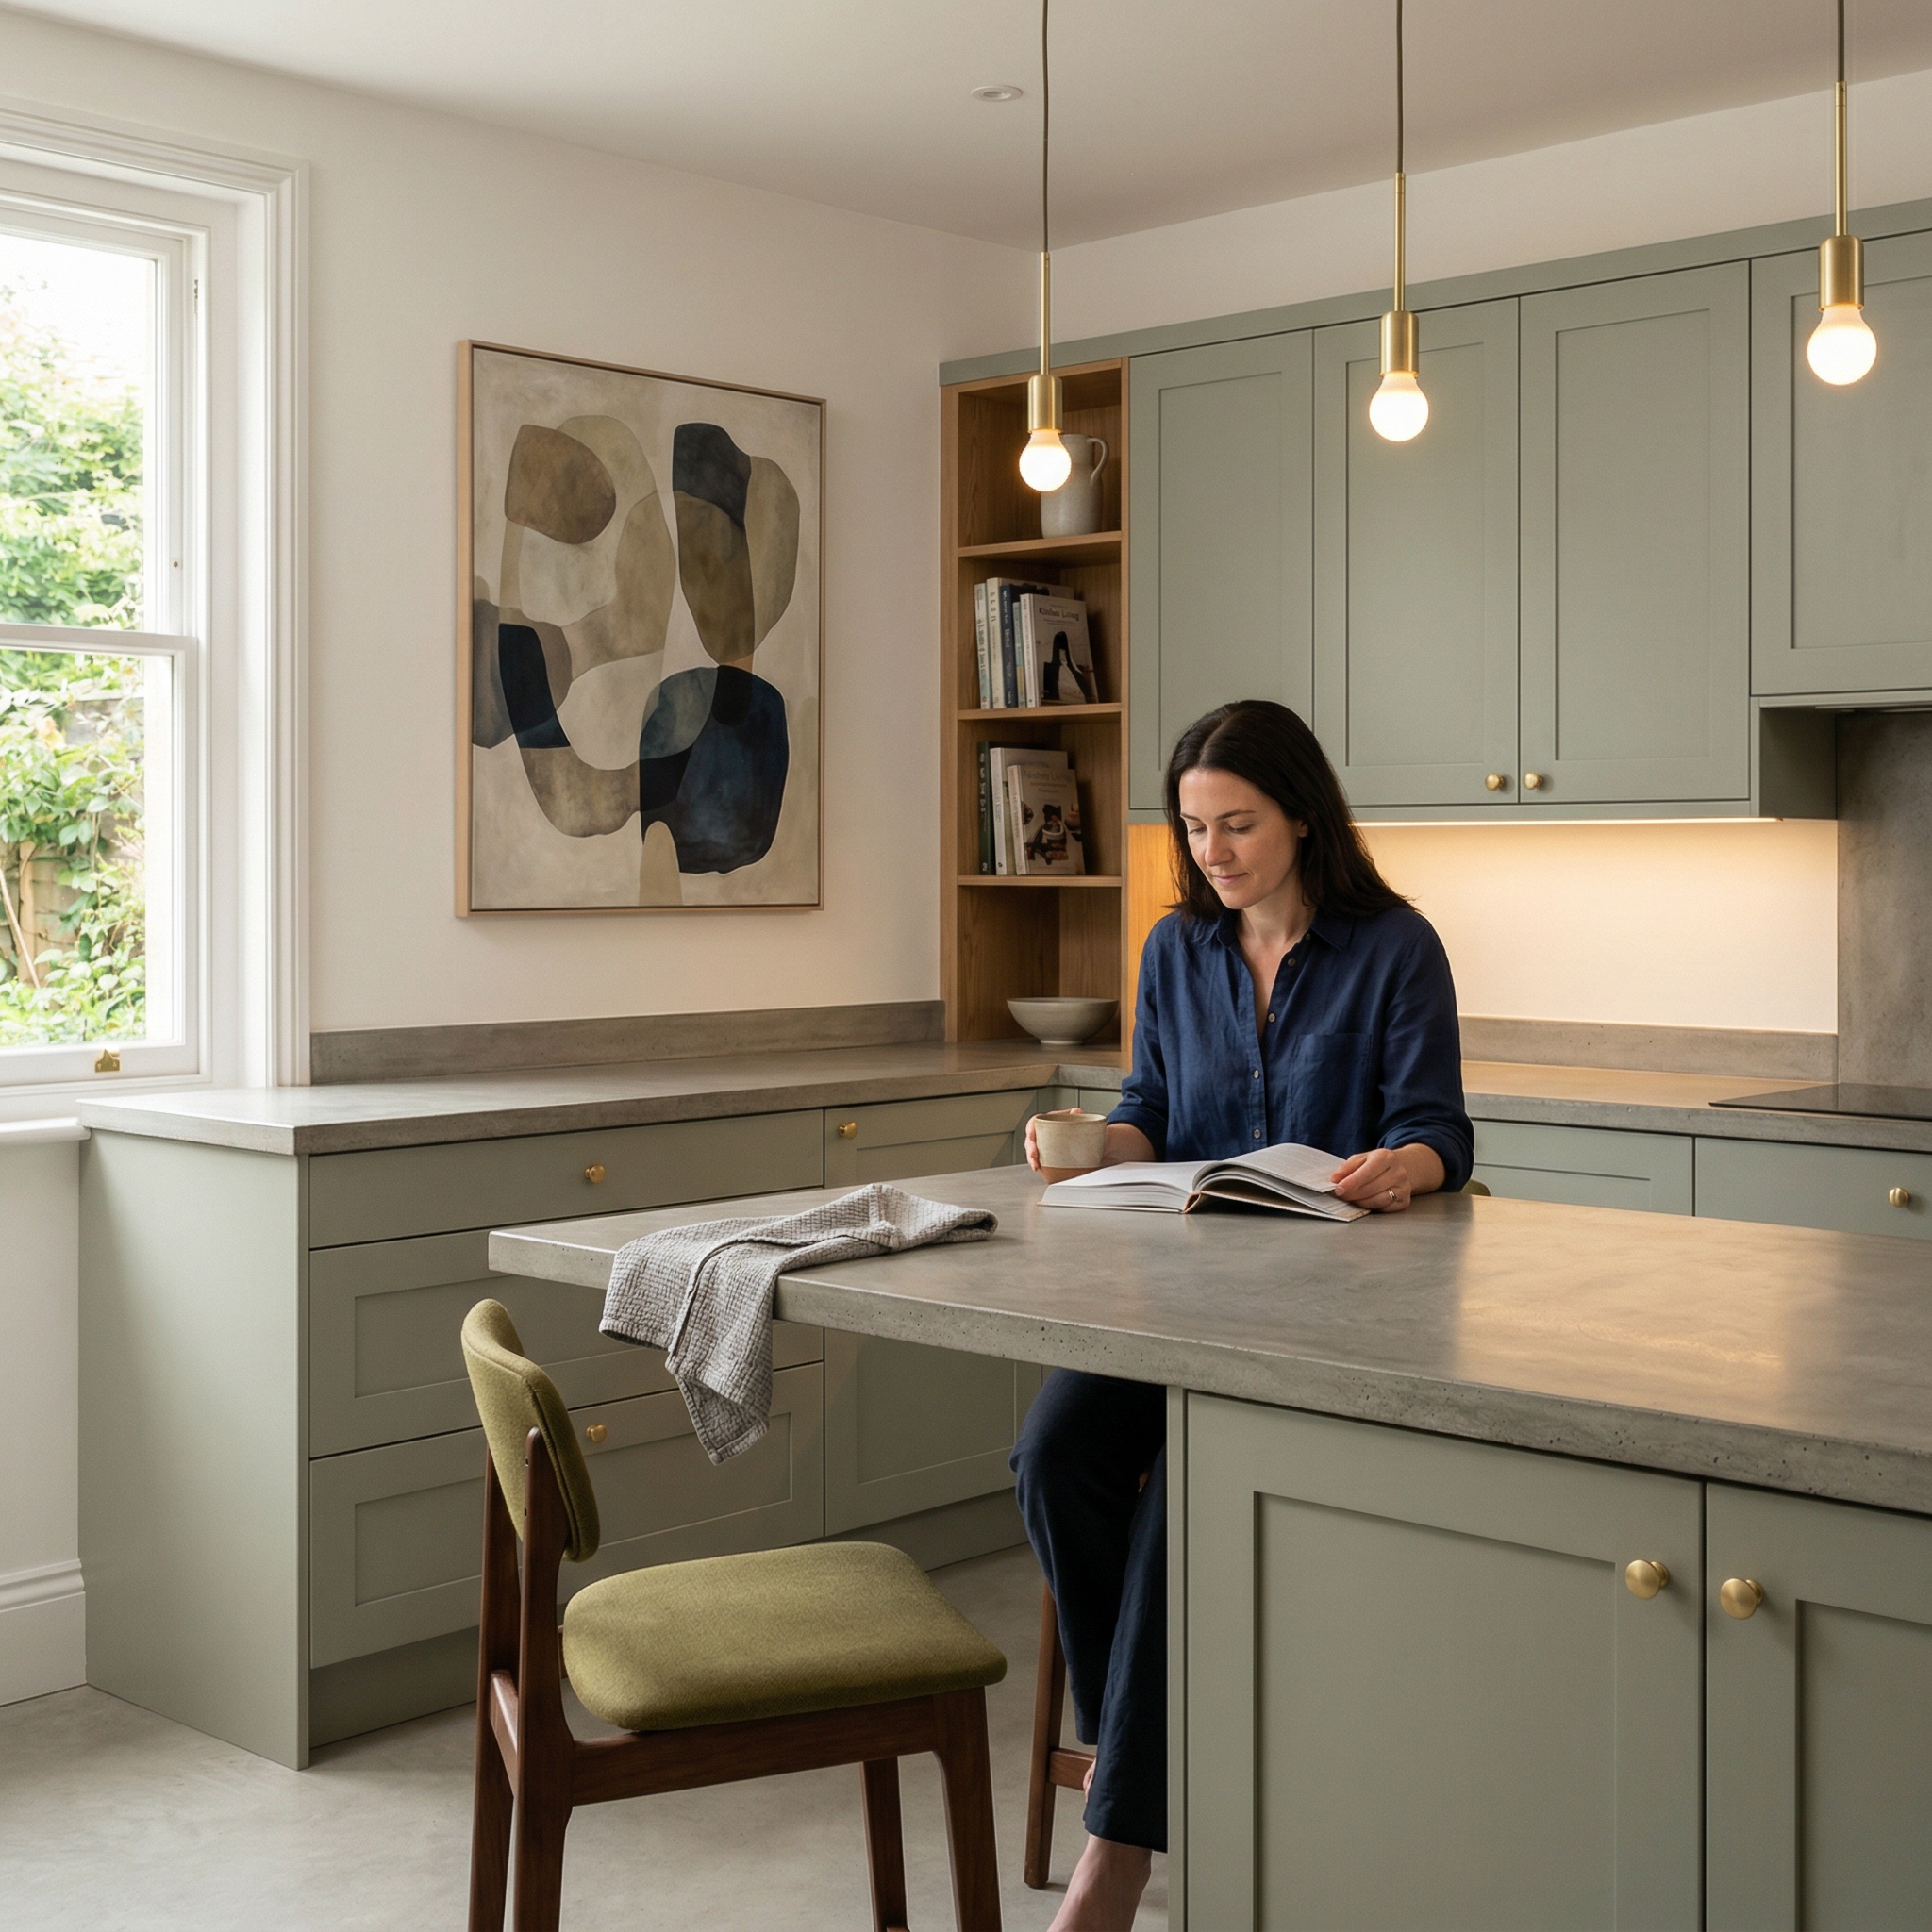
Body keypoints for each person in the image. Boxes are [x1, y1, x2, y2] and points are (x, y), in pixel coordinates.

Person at [1012, 699, 1473, 1929]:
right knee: (1053, 1456)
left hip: (1339, 1303)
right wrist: (1090, 1148)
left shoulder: (1395, 948)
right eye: (1196, 828)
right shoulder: (1177, 951)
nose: (1214, 851)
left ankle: (1118, 1849)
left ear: (1303, 817)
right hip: (1186, 1289)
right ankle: (1141, 1761)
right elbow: (1152, 1108)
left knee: (1186, 1496)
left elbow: (1440, 1128)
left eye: (1239, 825)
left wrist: (1403, 1168)